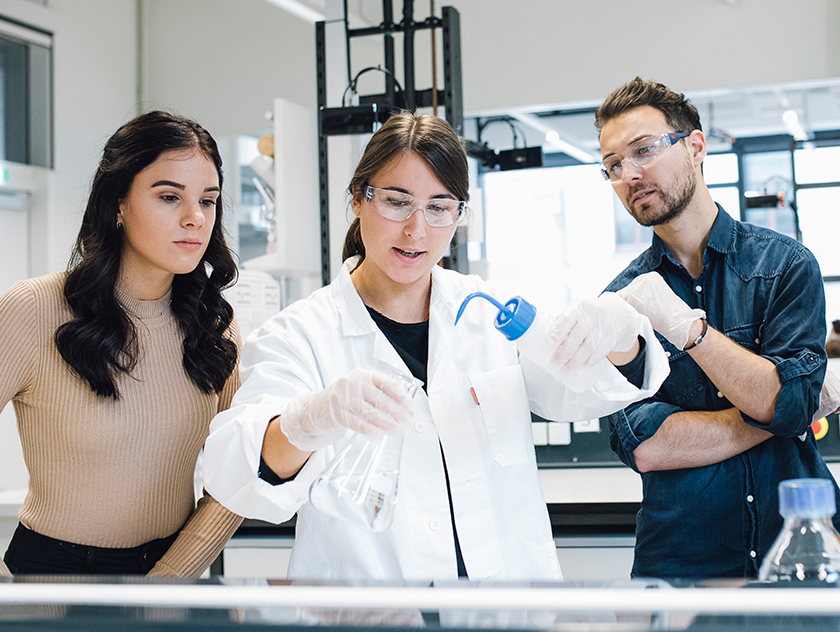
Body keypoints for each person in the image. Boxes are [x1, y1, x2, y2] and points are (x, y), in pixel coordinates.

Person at [203, 111, 669, 582]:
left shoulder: (489, 312)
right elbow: (237, 477)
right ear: (358, 200)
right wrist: (310, 420)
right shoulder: (301, 335)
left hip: (505, 609)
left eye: (439, 206)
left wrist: (618, 335)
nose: (417, 230)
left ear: (459, 213)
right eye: (396, 201)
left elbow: (583, 390)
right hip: (371, 611)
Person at [597, 77, 840, 579]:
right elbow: (646, 445)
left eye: (643, 150)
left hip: (801, 551)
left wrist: (692, 333)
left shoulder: (785, 265)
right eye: (613, 165)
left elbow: (786, 404)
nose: (629, 174)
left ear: (695, 147)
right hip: (682, 563)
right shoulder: (620, 304)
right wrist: (782, 407)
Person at [0, 111, 243, 576]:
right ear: (118, 203)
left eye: (208, 200)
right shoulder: (33, 309)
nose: (195, 218)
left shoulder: (214, 325)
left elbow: (237, 475)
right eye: (170, 197)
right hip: (51, 574)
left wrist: (169, 582)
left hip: (176, 571)